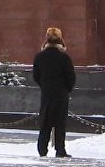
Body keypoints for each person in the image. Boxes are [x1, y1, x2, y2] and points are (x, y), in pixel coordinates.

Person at [32, 26, 76, 158]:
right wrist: (66, 89)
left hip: (46, 93)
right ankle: (60, 150)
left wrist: (44, 86)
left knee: (45, 122)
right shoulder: (64, 57)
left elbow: (36, 76)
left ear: (46, 39)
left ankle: (42, 149)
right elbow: (71, 77)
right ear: (60, 39)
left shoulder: (40, 57)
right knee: (60, 123)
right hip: (61, 94)